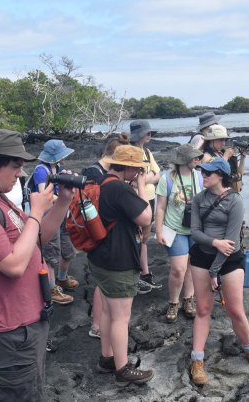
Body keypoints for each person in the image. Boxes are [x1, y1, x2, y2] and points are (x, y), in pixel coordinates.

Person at [0, 129, 74, 401]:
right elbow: (13, 265)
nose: (21, 173)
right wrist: (35, 212)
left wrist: (62, 203)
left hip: (26, 320)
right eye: (16, 166)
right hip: (9, 327)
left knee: (20, 386)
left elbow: (37, 238)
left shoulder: (0, 200)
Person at [188, 158, 249, 385]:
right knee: (203, 309)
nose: (203, 175)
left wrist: (215, 271)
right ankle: (197, 360)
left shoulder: (235, 201)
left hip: (229, 261)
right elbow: (194, 232)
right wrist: (215, 242)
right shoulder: (198, 200)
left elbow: (233, 242)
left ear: (220, 175)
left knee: (235, 310)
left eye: (208, 172)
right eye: (202, 172)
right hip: (201, 259)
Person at [87, 144, 154, 386]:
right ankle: (122, 368)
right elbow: (147, 217)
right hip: (119, 262)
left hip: (101, 259)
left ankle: (107, 357)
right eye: (137, 170)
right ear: (128, 167)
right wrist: (142, 187)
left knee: (107, 311)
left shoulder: (103, 182)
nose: (138, 173)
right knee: (120, 318)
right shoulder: (118, 188)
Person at [80, 132, 131, 339]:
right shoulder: (94, 173)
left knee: (104, 285)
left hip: (106, 233)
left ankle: (101, 325)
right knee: (103, 284)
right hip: (99, 234)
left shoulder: (100, 171)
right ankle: (97, 325)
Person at [155, 144, 204, 322]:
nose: (198, 160)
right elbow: (160, 207)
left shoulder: (199, 176)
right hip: (174, 229)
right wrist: (158, 230)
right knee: (178, 269)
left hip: (195, 229)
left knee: (191, 266)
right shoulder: (167, 179)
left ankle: (188, 299)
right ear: (184, 160)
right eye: (194, 157)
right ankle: (173, 302)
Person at [30, 139, 78, 305]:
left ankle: (62, 278)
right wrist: (64, 199)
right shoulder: (41, 171)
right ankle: (51, 288)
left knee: (67, 249)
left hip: (62, 214)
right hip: (48, 217)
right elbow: (45, 196)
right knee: (50, 254)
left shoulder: (57, 168)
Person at [129, 120, 162, 292]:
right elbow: (131, 178)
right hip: (134, 200)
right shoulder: (129, 152)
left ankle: (145, 272)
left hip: (149, 197)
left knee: (144, 237)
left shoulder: (147, 152)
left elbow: (158, 174)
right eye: (147, 133)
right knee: (135, 235)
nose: (149, 136)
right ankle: (136, 273)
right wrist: (146, 179)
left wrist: (143, 180)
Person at [201, 124, 246, 193]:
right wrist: (226, 157)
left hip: (232, 192)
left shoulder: (223, 153)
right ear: (211, 140)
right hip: (218, 194)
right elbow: (215, 174)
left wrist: (243, 157)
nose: (223, 143)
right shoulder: (206, 156)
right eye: (220, 140)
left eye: (225, 140)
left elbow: (239, 173)